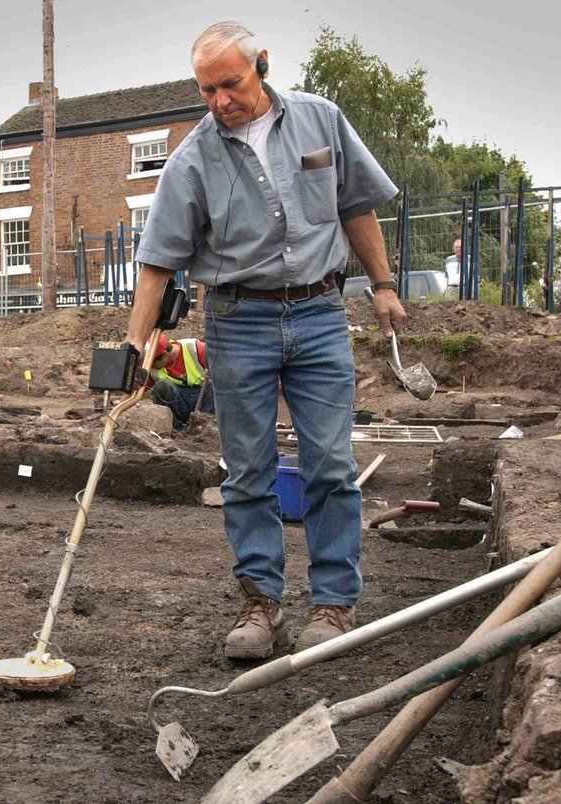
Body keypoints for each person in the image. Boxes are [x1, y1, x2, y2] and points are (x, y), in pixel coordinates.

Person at [125, 21, 407, 659]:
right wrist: (134, 346)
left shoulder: (320, 120)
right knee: (247, 470)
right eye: (206, 90)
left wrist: (383, 285)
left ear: (263, 66)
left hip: (319, 313)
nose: (220, 100)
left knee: (330, 464)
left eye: (230, 84)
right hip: (238, 321)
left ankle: (334, 604)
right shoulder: (191, 159)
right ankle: (261, 604)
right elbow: (158, 261)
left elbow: (356, 207)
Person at [145, 334, 212, 429]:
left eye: (152, 363)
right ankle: (177, 429)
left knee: (214, 386)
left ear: (164, 355)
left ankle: (206, 426)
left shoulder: (195, 348)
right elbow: (135, 392)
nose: (150, 367)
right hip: (179, 405)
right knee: (161, 387)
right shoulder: (151, 368)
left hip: (203, 400)